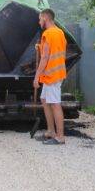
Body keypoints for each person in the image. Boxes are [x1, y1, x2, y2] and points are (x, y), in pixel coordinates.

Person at [34, 8, 68, 145]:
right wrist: (40, 46)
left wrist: (36, 76)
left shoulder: (47, 34)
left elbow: (45, 58)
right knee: (44, 99)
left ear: (45, 18)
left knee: (55, 104)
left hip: (52, 75)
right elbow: (57, 50)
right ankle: (50, 131)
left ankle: (60, 137)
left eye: (40, 19)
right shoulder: (59, 33)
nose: (39, 21)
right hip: (56, 73)